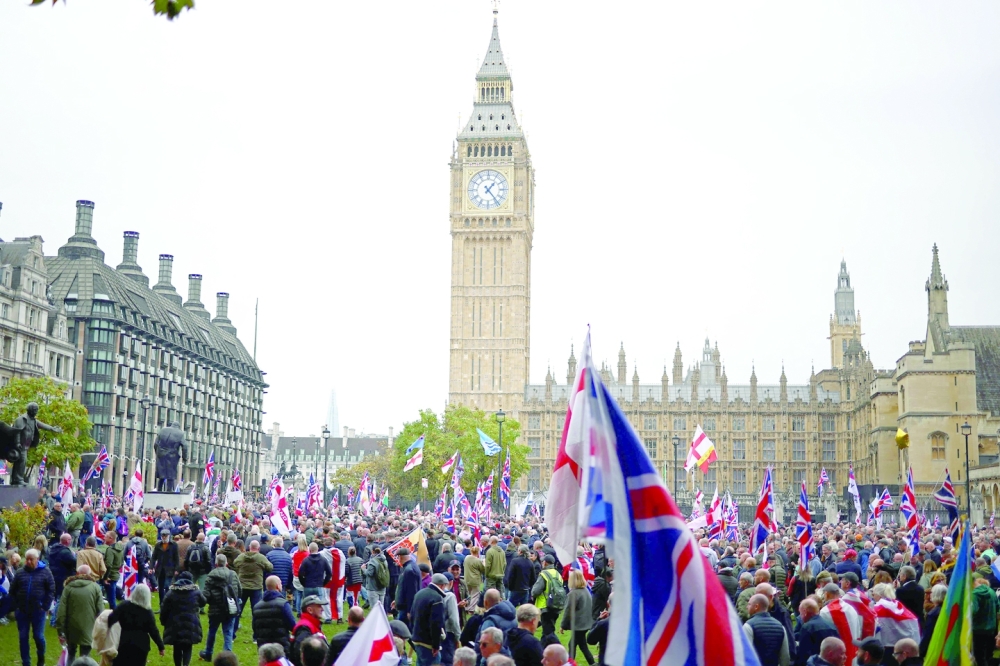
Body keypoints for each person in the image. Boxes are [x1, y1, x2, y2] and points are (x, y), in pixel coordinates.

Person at [11, 548, 55, 666]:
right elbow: (12, 590)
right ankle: (26, 662)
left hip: (38, 611)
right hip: (22, 611)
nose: (29, 562)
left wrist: (45, 606)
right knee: (23, 637)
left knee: (38, 636)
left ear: (37, 559)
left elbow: (51, 590)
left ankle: (41, 659)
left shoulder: (46, 572)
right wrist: (16, 605)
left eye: (32, 559)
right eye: (27, 559)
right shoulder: (20, 572)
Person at [107, 583, 165, 666]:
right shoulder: (147, 613)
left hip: (123, 642)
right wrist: (161, 646)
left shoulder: (124, 606)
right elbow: (153, 631)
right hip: (141, 646)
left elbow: (111, 619)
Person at [56, 564, 104, 663]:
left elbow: (61, 610)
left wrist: (60, 630)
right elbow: (100, 610)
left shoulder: (68, 587)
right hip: (88, 626)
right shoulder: (95, 587)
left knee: (70, 654)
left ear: (77, 573)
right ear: (89, 574)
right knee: (85, 656)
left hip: (71, 627)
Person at [200, 554, 242, 662]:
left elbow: (206, 594)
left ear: (216, 563)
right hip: (230, 607)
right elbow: (239, 589)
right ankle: (227, 657)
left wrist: (209, 602)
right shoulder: (233, 574)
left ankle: (208, 653)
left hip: (215, 608)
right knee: (228, 632)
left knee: (212, 631)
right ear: (226, 563)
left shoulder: (211, 575)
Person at [160, 571, 207, 666]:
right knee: (188, 647)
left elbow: (164, 608)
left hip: (175, 624)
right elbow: (203, 602)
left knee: (177, 647)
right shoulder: (196, 592)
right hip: (191, 624)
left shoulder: (171, 592)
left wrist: (163, 621)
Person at [233, 539, 274, 638]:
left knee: (238, 611)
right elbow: (270, 567)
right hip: (256, 587)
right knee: (256, 612)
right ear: (258, 548)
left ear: (249, 547)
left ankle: (232, 635)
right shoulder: (261, 558)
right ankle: (256, 636)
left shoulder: (242, 556)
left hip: (242, 586)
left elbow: (235, 563)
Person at [742, 593, 790, 666]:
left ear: (756, 607)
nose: (746, 607)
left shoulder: (748, 626)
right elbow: (785, 657)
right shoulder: (780, 627)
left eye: (749, 604)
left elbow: (745, 654)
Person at [411, 573, 448, 666]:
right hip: (428, 643)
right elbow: (436, 624)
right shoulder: (437, 598)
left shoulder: (420, 593)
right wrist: (436, 646)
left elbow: (412, 616)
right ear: (442, 585)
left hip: (416, 638)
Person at [253, 575, 295, 655]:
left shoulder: (257, 606)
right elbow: (292, 625)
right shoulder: (283, 604)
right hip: (281, 646)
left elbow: (255, 628)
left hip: (264, 647)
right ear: (278, 586)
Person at [561, 570, 594, 666]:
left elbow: (568, 611)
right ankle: (591, 663)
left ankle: (571, 664)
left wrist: (563, 625)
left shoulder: (573, 593)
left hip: (579, 625)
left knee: (574, 646)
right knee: (580, 646)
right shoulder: (586, 591)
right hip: (585, 623)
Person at [794, 599, 838, 666]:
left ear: (805, 612)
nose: (800, 616)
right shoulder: (831, 625)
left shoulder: (807, 627)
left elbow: (803, 654)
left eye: (800, 613)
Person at [289, 595, 329, 666]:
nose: (322, 609)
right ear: (310, 610)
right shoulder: (304, 627)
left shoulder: (311, 625)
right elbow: (300, 652)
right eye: (319, 606)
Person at [531, 554, 564, 637]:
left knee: (548, 633)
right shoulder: (558, 574)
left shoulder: (544, 574)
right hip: (556, 604)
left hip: (545, 606)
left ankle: (556, 647)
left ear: (545, 563)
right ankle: (546, 648)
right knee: (548, 631)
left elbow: (535, 591)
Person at [49, 532, 78, 627]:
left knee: (59, 598)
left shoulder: (54, 549)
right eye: (70, 539)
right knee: (60, 599)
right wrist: (76, 556)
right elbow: (74, 563)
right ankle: (54, 621)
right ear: (67, 541)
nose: (71, 541)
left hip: (56, 576)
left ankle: (59, 619)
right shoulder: (65, 552)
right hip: (63, 577)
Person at [971, 575, 998, 666]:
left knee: (979, 658)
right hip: (992, 628)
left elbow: (972, 611)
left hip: (978, 629)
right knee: (988, 656)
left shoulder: (974, 594)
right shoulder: (991, 591)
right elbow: (998, 607)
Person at [150, 529, 180, 606]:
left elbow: (176, 558)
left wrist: (177, 569)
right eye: (162, 535)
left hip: (170, 569)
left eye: (165, 535)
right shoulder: (158, 545)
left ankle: (167, 604)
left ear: (169, 536)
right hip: (160, 570)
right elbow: (154, 557)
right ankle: (161, 604)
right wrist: (151, 567)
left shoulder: (173, 545)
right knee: (160, 588)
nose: (164, 537)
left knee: (167, 586)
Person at [394, 547, 422, 626]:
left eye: (397, 557)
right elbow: (403, 587)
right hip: (404, 606)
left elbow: (411, 591)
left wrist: (410, 611)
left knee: (403, 632)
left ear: (400, 557)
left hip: (406, 608)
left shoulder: (409, 570)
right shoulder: (409, 567)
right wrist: (397, 600)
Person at [99, 531, 127, 610]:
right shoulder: (120, 548)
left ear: (111, 538)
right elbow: (122, 562)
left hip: (110, 576)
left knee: (111, 600)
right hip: (115, 574)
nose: (104, 538)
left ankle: (114, 616)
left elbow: (108, 565)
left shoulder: (110, 550)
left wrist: (105, 578)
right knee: (112, 596)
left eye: (106, 536)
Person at [920, 584, 947, 657]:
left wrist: (921, 651)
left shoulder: (933, 614)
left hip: (936, 647)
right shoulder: (948, 610)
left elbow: (928, 635)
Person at [362, 545, 389, 611]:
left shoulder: (373, 561)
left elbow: (369, 574)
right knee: (381, 608)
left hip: (373, 587)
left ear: (372, 551)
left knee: (374, 609)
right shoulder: (384, 560)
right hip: (382, 586)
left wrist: (363, 569)